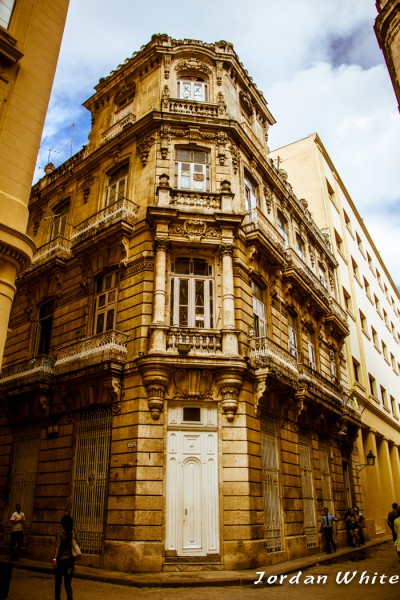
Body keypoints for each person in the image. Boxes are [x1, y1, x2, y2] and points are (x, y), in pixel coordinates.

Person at [53, 514, 79, 600]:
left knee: (58, 583)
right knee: (68, 584)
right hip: (70, 561)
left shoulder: (59, 533)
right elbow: (78, 542)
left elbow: (57, 547)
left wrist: (54, 558)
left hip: (60, 561)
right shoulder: (72, 532)